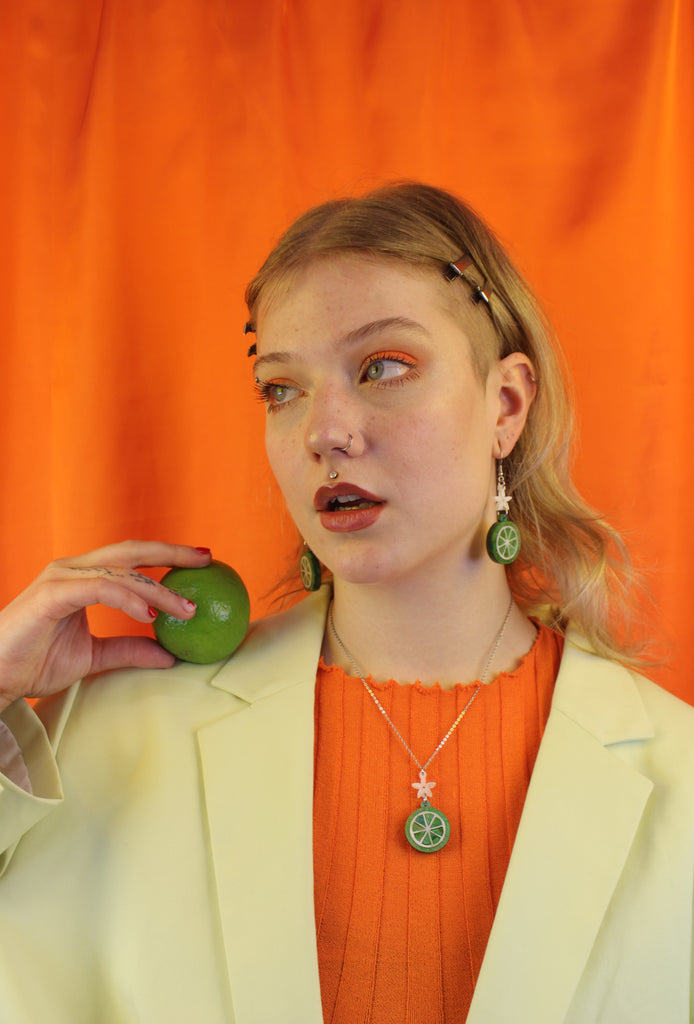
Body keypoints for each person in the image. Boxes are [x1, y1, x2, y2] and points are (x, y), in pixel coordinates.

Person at [0, 182, 692, 1024]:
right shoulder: (107, 735)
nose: (324, 431)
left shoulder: (679, 775)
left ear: (506, 404)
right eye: (280, 389)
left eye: (384, 367)